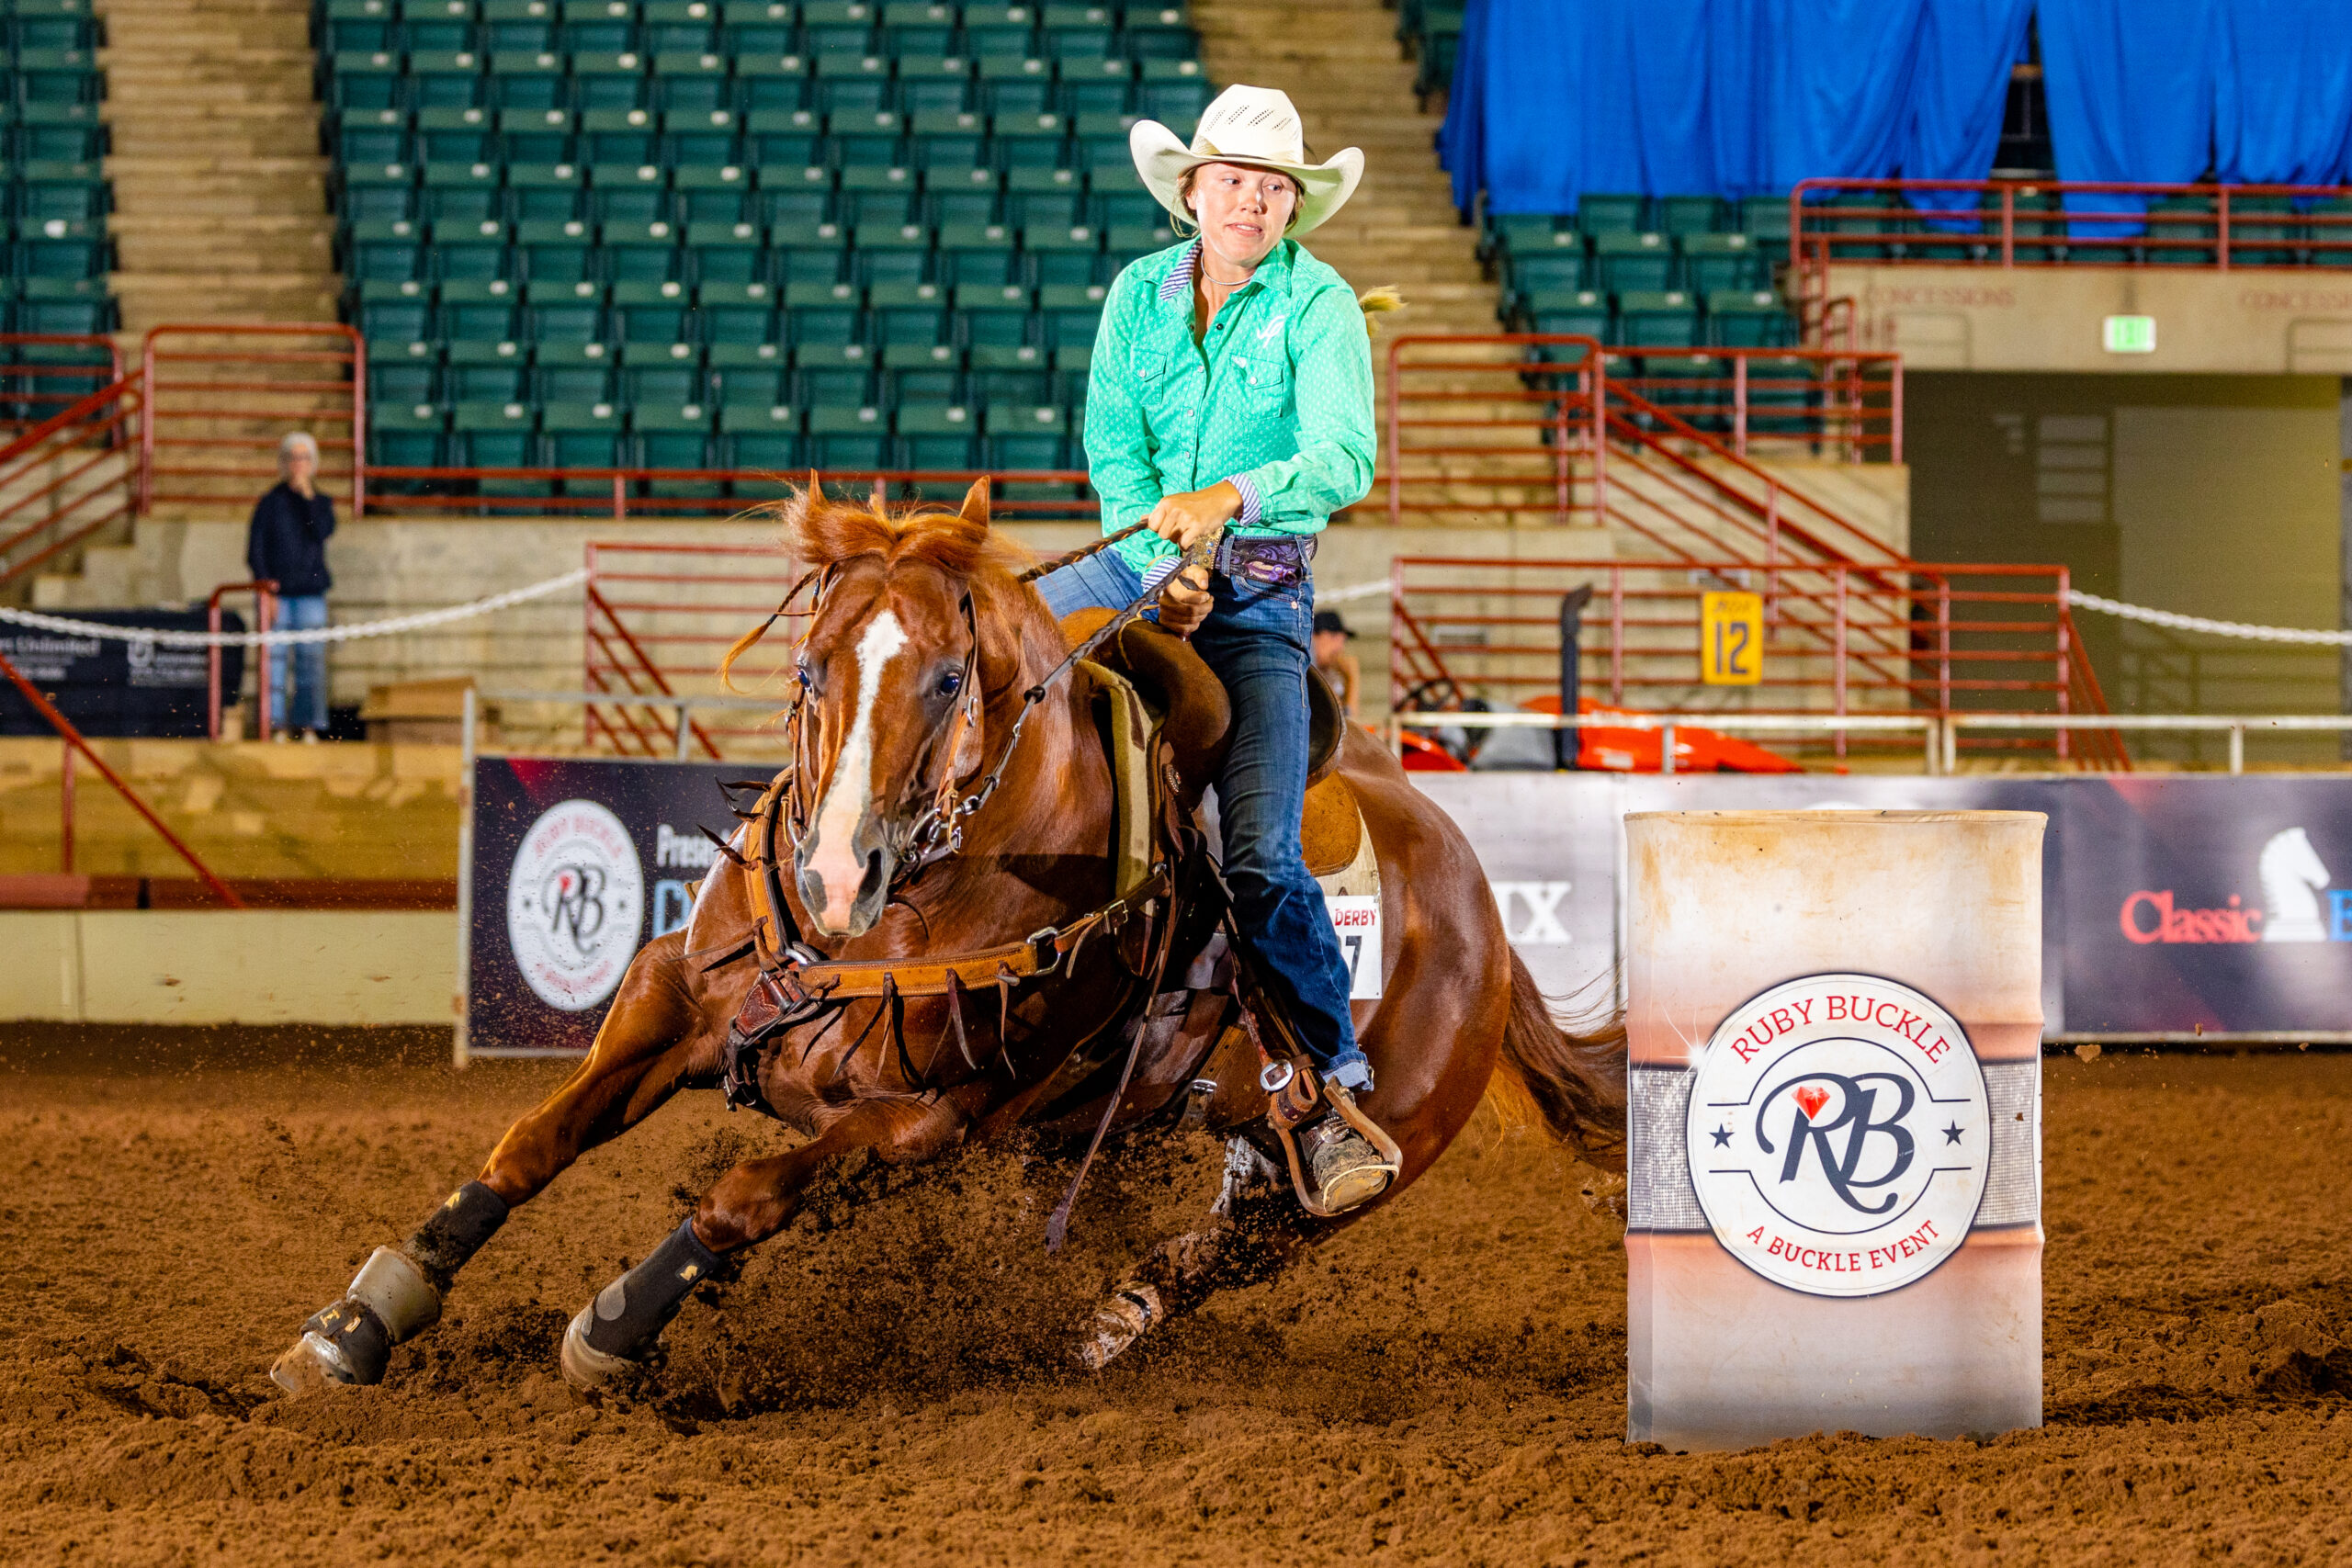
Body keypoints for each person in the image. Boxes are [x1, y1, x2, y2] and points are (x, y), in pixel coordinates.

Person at [1035, 84, 1393, 1213]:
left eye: (1273, 186)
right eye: (1233, 180)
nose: (1252, 200)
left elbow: (1342, 457)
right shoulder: (1136, 295)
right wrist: (1162, 563)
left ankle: (1331, 1084)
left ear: (1294, 205)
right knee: (978, 676)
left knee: (1260, 856)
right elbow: (1113, 446)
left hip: (1262, 593)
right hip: (1135, 564)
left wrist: (1225, 501)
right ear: (1191, 192)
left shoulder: (1319, 305)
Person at [245, 432, 336, 741]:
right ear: (284, 463)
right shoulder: (269, 503)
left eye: (304, 458)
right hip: (278, 597)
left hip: (311, 595)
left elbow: (322, 531)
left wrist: (308, 498)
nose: (299, 464)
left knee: (311, 663)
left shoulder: (321, 503)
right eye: (293, 458)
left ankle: (308, 725)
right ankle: (275, 725)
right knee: (274, 665)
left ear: (313, 464)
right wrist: (266, 592)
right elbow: (255, 551)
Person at [1312, 608, 1361, 720]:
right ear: (1316, 636)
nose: (1340, 648)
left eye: (1343, 641)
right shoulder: (1303, 669)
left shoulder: (1330, 674)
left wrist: (1351, 680)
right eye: (1334, 638)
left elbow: (1347, 718)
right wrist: (1353, 679)